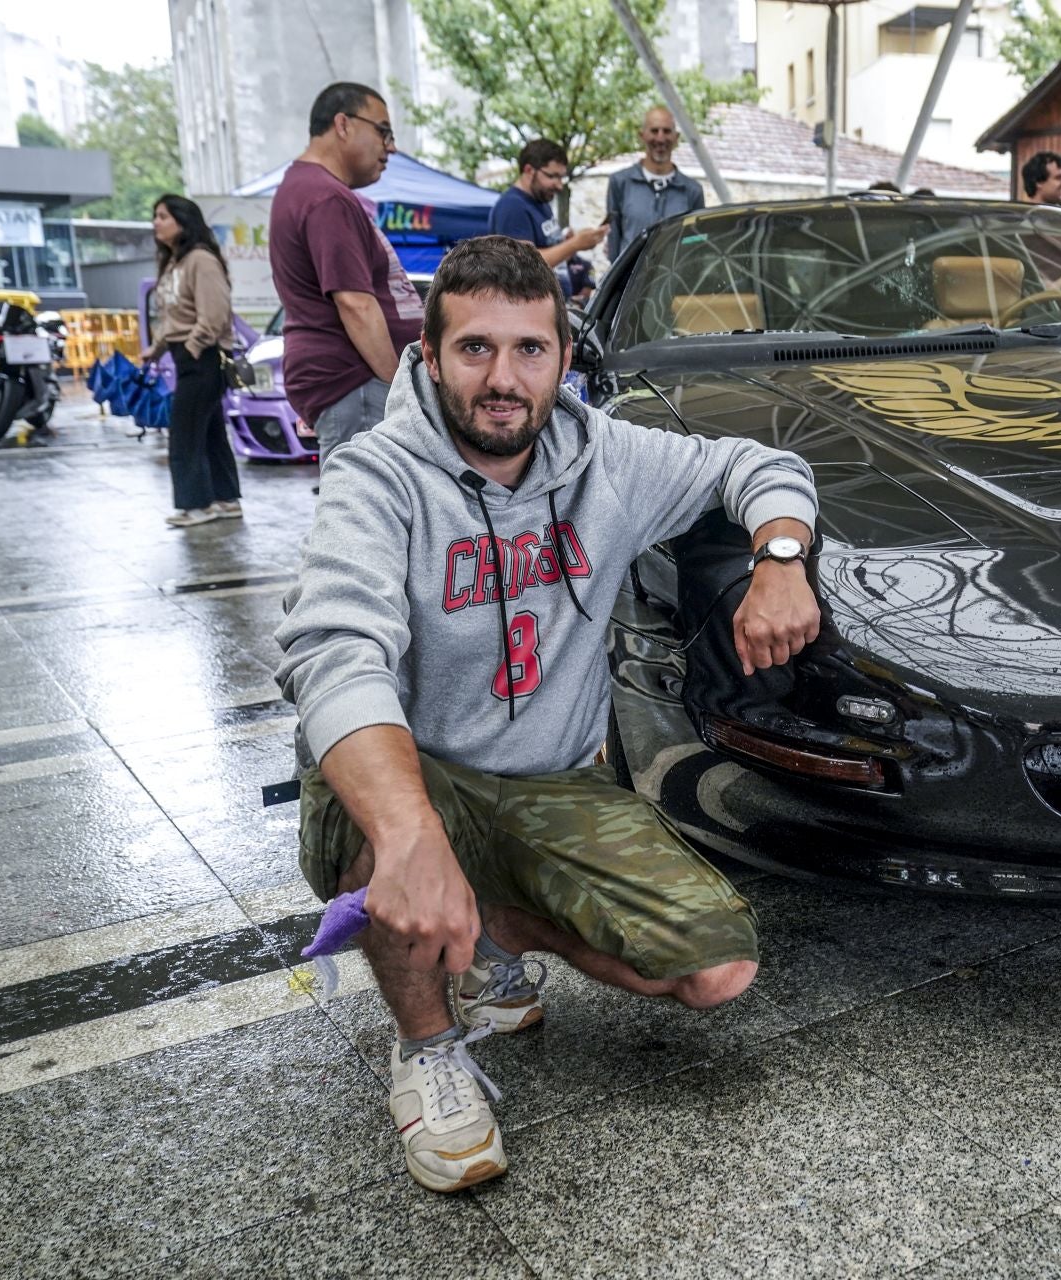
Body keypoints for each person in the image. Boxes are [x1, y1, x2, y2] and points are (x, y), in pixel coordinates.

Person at [274, 235, 820, 1195]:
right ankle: (429, 1048)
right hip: (419, 769)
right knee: (388, 820)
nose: (503, 378)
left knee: (715, 970)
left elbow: (756, 462)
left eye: (530, 349)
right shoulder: (378, 474)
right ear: (430, 357)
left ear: (564, 361)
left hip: (552, 779)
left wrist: (780, 557)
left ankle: (499, 926)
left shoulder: (606, 456)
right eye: (475, 348)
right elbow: (334, 651)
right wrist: (406, 835)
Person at [270, 82, 425, 458]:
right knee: (366, 511)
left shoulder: (315, 190)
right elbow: (356, 305)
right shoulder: (325, 197)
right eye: (383, 131)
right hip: (356, 382)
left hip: (355, 384)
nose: (391, 147)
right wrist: (398, 390)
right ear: (343, 124)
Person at [141, 194, 244, 528]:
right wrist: (157, 348)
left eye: (163, 216)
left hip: (203, 356)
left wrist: (193, 346)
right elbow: (172, 316)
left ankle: (196, 505)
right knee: (209, 430)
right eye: (155, 216)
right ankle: (226, 499)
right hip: (186, 354)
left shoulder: (201, 259)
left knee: (183, 431)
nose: (156, 222)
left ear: (184, 221)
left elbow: (214, 313)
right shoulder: (174, 263)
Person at [487, 139, 605, 287]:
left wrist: (568, 244)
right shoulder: (512, 207)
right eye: (552, 176)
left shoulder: (541, 201)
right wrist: (574, 245)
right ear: (529, 170)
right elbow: (524, 264)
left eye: (561, 177)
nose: (559, 185)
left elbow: (548, 256)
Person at [605, 107, 706, 260]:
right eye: (654, 131)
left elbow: (698, 241)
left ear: (676, 137)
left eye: (666, 131)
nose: (660, 139)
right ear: (642, 135)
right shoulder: (620, 183)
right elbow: (614, 239)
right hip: (631, 281)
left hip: (674, 279)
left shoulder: (692, 191)